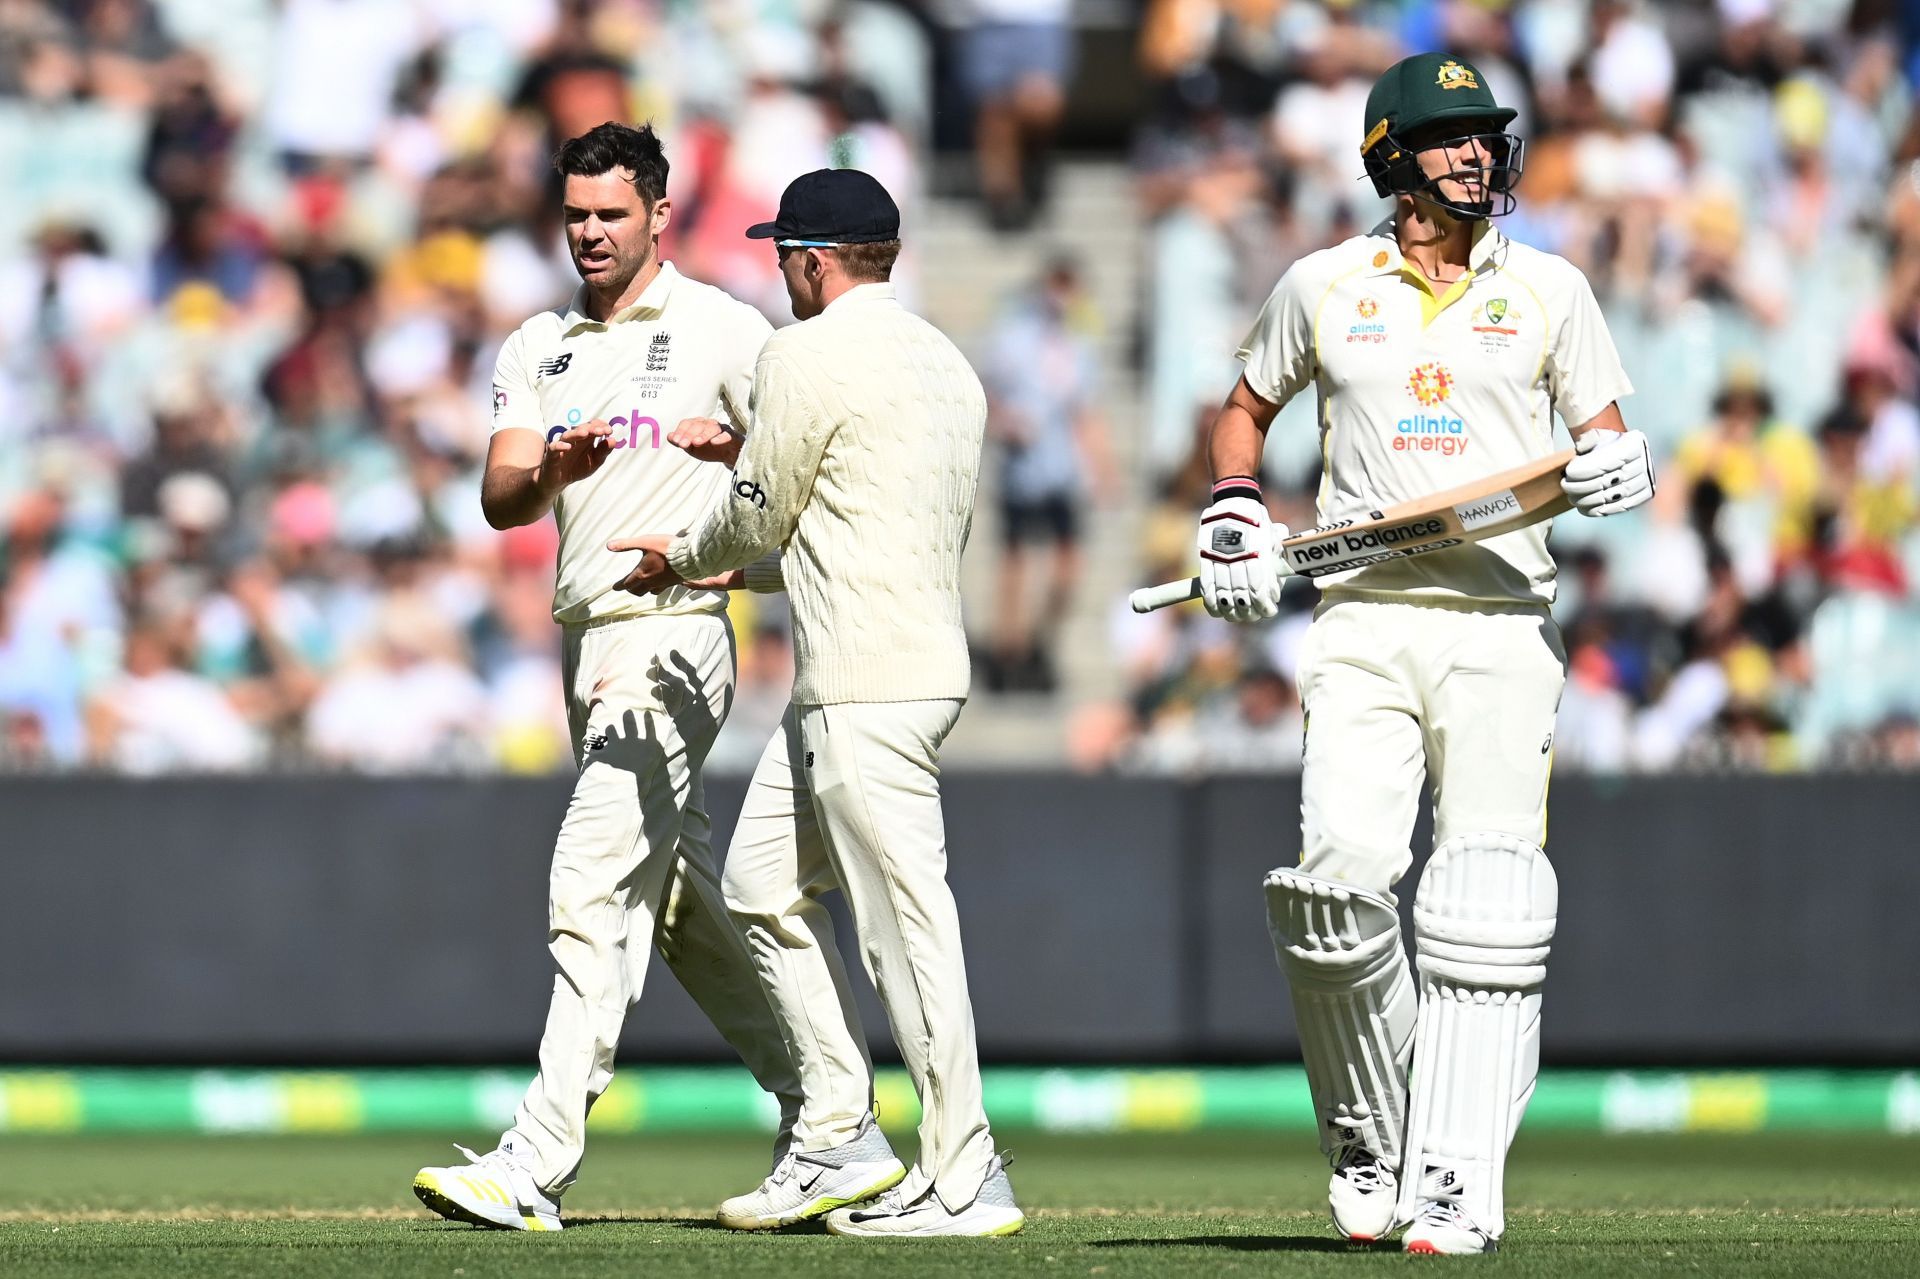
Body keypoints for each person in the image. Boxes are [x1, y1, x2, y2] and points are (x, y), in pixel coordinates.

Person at [1194, 54, 1653, 1254]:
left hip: (1501, 625)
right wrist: (1235, 505)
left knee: (1486, 900)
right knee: (1336, 888)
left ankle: (1451, 1180)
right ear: (1390, 155)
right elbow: (1244, 405)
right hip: (1361, 619)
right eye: (1449, 137)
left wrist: (1618, 471)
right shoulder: (1322, 285)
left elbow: (1603, 442)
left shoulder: (1550, 289)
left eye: (1486, 136)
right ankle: (1373, 1129)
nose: (1475, 155)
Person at [611, 168, 1024, 1238]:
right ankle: (840, 1128)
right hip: (902, 665)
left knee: (902, 929)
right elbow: (844, 521)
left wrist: (682, 557)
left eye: (783, 257)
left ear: (810, 259)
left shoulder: (803, 352)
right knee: (757, 886)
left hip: (864, 683)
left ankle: (967, 1171)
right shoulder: (947, 364)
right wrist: (727, 557)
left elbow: (758, 514)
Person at [409, 122, 801, 1232]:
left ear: (658, 214)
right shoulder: (539, 343)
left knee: (590, 880)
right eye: (576, 214)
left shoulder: (725, 328)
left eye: (610, 214)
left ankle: (536, 1157)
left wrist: (741, 503)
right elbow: (501, 499)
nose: (589, 232)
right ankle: (830, 1108)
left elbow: (798, 470)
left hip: (677, 628)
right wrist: (552, 470)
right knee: (679, 908)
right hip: (584, 642)